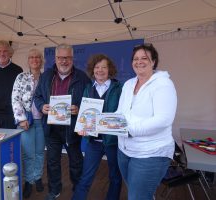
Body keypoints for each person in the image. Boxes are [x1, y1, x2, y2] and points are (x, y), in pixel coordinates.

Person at [116, 43, 177, 200]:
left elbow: (163, 120)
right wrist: (98, 123)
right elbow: (119, 113)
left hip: (151, 153)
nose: (139, 61)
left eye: (144, 58)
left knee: (137, 197)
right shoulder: (129, 84)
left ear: (153, 61)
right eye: (135, 58)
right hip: (124, 150)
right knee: (138, 194)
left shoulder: (163, 84)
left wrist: (131, 129)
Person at [34, 43, 91, 200]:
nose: (63, 61)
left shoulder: (82, 77)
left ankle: (78, 190)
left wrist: (79, 108)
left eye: (67, 58)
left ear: (72, 58)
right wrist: (41, 106)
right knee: (52, 162)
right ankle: (54, 190)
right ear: (55, 58)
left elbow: (90, 99)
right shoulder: (46, 76)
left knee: (75, 162)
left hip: (71, 128)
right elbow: (37, 96)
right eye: (60, 58)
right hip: (51, 129)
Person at [72, 54, 122, 200]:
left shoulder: (119, 88)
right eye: (97, 67)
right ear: (92, 70)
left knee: (115, 177)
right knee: (85, 177)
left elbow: (123, 114)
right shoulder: (88, 88)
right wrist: (82, 126)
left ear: (110, 69)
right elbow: (85, 112)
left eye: (104, 67)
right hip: (93, 142)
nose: (100, 70)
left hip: (113, 142)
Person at [11, 49, 45, 198]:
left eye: (38, 57)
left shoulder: (46, 77)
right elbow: (15, 98)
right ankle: (28, 181)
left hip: (43, 121)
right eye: (32, 57)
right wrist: (21, 118)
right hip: (26, 121)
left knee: (39, 152)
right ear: (28, 60)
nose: (35, 59)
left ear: (41, 60)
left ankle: (37, 177)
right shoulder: (21, 77)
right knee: (27, 154)